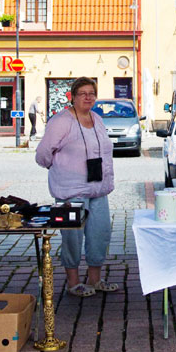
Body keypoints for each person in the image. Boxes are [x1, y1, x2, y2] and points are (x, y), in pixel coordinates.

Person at [36, 77, 119, 297]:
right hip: (71, 191)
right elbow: (43, 153)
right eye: (82, 93)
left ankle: (95, 279)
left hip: (98, 188)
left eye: (92, 93)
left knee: (100, 234)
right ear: (72, 97)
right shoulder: (61, 121)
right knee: (72, 238)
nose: (88, 97)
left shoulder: (96, 119)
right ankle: (73, 282)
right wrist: (59, 168)